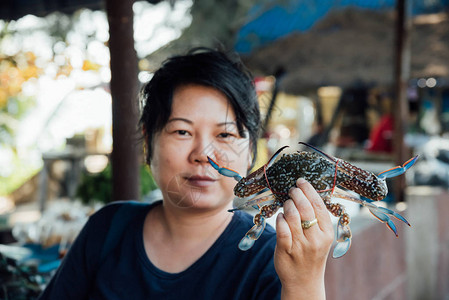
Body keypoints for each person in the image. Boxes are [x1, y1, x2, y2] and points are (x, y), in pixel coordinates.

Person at [38, 48, 334, 300]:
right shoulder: (107, 230)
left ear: (250, 153)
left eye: (226, 135)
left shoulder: (274, 257)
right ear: (148, 142)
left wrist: (305, 282)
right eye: (182, 131)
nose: (203, 154)